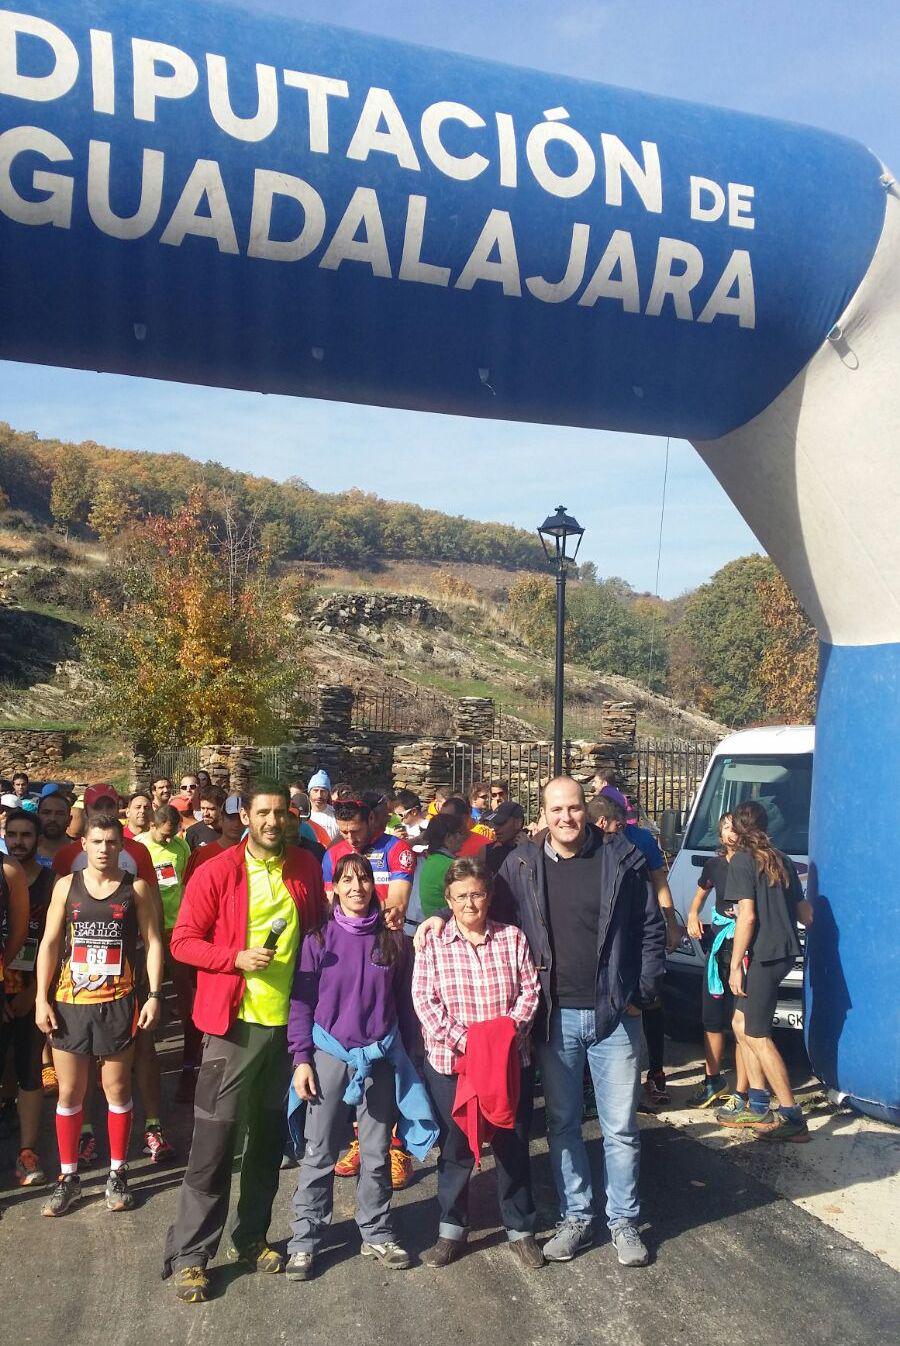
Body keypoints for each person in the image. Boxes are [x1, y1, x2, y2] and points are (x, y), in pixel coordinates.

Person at [488, 777, 664, 1266]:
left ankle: (623, 1222)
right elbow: (484, 908)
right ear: (543, 815)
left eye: (574, 808)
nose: (566, 817)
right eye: (556, 809)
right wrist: (440, 916)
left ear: (586, 810)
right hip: (554, 1016)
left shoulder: (621, 857)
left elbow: (650, 926)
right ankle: (576, 1218)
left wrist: (643, 992)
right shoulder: (521, 863)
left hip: (615, 1014)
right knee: (563, 1123)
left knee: (620, 1127)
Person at [162, 783, 325, 1304]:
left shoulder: (304, 867)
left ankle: (251, 1238)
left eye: (281, 813)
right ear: (246, 817)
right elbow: (183, 941)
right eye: (263, 813)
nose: (273, 821)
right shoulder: (216, 871)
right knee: (214, 1145)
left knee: (267, 1144)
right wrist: (234, 958)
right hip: (232, 1027)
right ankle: (192, 1256)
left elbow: (319, 932)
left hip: (286, 1031)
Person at [286, 852, 435, 1279]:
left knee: (375, 1152)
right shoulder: (318, 939)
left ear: (374, 884)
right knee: (319, 1151)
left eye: (364, 879)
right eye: (347, 880)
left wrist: (410, 1055)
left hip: (380, 1058)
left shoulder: (392, 940)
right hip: (329, 1055)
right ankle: (305, 1239)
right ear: (334, 887)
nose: (357, 888)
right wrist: (301, 1059)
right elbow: (301, 1003)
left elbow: (404, 1004)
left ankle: (377, 1231)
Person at [412, 857, 543, 1269]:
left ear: (489, 896)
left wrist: (501, 1041)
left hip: (508, 1062)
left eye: (478, 894)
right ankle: (451, 1230)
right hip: (454, 1064)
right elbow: (425, 1002)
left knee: (512, 1143)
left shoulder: (512, 938)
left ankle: (521, 1229)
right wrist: (470, 1043)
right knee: (456, 1148)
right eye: (461, 896)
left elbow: (530, 993)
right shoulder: (432, 943)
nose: (470, 903)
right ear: (448, 900)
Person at [35, 813, 164, 1216]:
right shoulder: (65, 886)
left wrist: (154, 995)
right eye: (97, 842)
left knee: (117, 1090)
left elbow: (154, 942)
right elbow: (50, 942)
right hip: (70, 1003)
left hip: (118, 1001)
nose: (104, 849)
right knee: (70, 1093)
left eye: (111, 842)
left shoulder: (135, 888)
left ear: (121, 846)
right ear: (84, 845)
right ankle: (68, 1177)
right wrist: (40, 998)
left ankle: (117, 1173)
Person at [715, 801, 813, 1141]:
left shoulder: (743, 861)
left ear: (738, 829)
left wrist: (734, 965)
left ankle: (791, 1116)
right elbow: (805, 913)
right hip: (782, 952)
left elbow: (748, 917)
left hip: (763, 956)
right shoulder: (781, 858)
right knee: (740, 1024)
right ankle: (757, 1104)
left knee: (757, 1034)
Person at [591, 792, 683, 1109]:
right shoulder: (583, 842)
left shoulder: (640, 839)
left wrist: (671, 923)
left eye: (623, 825)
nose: (620, 831)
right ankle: (597, 1084)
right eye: (617, 825)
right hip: (604, 937)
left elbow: (659, 881)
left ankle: (655, 1073)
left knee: (650, 1001)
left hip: (639, 929)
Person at [1, 808, 56, 1184]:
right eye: (12, 835)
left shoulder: (52, 883)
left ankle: (27, 1153)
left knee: (29, 1067)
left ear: (38, 839)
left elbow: (56, 942)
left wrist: (34, 992)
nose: (19, 842)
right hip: (4, 983)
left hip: (32, 985)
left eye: (26, 835)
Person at [685, 813, 749, 1109]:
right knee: (711, 1017)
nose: (730, 832)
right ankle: (713, 1080)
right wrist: (692, 915)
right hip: (718, 948)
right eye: (725, 827)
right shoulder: (714, 865)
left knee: (742, 1023)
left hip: (745, 950)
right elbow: (700, 895)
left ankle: (744, 1090)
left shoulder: (752, 864)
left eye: (735, 827)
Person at [403, 814, 467, 933]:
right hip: (447, 928)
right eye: (459, 833)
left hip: (430, 926)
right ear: (448, 837)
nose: (463, 837)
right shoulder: (451, 865)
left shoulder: (431, 859)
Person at [180, 794, 246, 886]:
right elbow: (188, 889)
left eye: (240, 818)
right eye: (231, 818)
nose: (236, 823)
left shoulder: (253, 855)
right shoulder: (201, 854)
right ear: (221, 818)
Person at [484, 801, 527, 877]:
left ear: (518, 823)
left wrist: (528, 851)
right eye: (494, 823)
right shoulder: (490, 850)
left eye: (501, 823)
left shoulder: (532, 852)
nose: (495, 828)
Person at [36, 787, 72, 864]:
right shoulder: (26, 849)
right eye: (46, 813)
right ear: (37, 817)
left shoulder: (82, 852)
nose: (52, 819)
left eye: (60, 814)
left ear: (69, 820)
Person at [307, 771, 340, 842]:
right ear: (309, 792)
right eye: (315, 790)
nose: (319, 795)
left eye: (323, 791)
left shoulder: (336, 815)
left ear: (328, 793)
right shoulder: (303, 814)